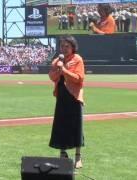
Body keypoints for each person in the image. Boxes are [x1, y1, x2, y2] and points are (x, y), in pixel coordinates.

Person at [48, 36, 85, 169]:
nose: (63, 48)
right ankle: (63, 154)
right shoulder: (57, 61)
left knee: (76, 127)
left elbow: (79, 79)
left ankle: (78, 156)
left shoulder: (77, 59)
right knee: (61, 126)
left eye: (66, 46)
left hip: (74, 97)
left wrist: (64, 71)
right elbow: (52, 77)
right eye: (62, 46)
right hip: (62, 96)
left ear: (73, 47)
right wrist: (58, 70)